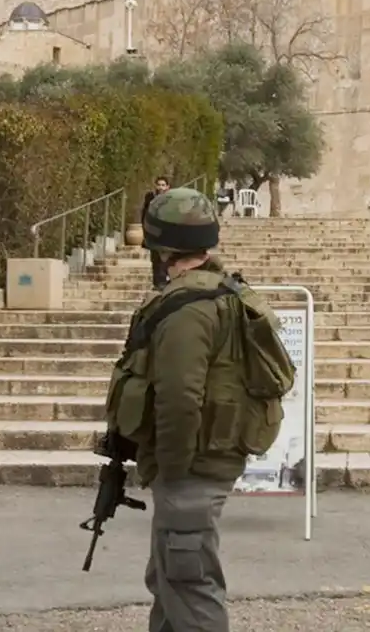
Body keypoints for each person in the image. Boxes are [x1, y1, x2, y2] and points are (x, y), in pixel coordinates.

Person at [105, 187, 294, 632]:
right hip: (208, 456)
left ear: (163, 247)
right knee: (170, 574)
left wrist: (170, 470)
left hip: (191, 464)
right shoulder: (220, 292)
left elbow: (179, 399)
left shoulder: (187, 310)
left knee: (190, 581)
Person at [142, 176, 171, 287]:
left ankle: (164, 282)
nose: (160, 187)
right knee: (155, 259)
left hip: (166, 234)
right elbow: (144, 215)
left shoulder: (170, 199)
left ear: (168, 187)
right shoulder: (150, 198)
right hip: (153, 234)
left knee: (165, 259)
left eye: (163, 185)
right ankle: (157, 283)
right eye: (159, 184)